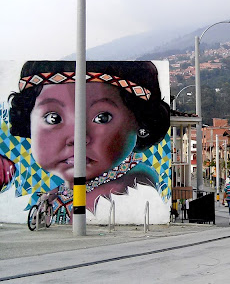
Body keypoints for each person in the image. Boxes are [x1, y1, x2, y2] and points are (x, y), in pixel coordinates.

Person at [1, 61, 170, 221]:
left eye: (102, 118)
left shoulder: (133, 186)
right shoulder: (56, 194)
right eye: (53, 118)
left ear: (140, 122)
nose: (77, 137)